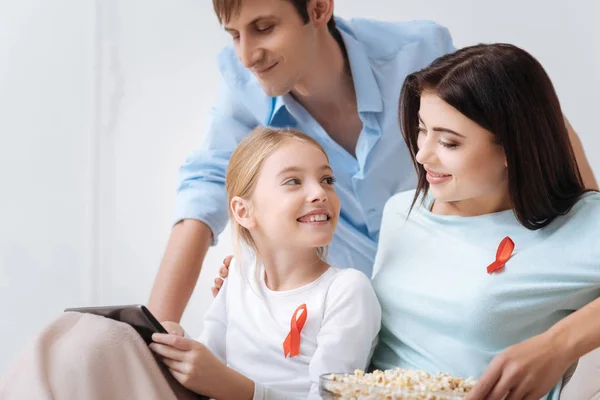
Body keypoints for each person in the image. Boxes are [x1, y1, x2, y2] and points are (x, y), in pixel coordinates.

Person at [147, 0, 598, 323]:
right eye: (234, 35)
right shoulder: (243, 86)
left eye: (264, 27)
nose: (246, 55)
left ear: (319, 8)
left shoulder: (418, 51)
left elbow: (534, 121)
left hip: (459, 295)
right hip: (346, 311)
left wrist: (586, 229)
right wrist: (156, 329)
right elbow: (204, 192)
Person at [0, 127, 381, 400]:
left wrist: (240, 390)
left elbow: (330, 398)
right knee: (80, 336)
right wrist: (177, 351)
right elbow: (208, 366)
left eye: (327, 179)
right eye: (294, 182)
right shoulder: (239, 281)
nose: (319, 193)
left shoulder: (346, 290)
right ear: (244, 212)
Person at [367, 43, 600, 400]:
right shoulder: (401, 211)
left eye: (449, 142)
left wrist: (558, 345)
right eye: (422, 130)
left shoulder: (579, 225)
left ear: (511, 147)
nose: (422, 154)